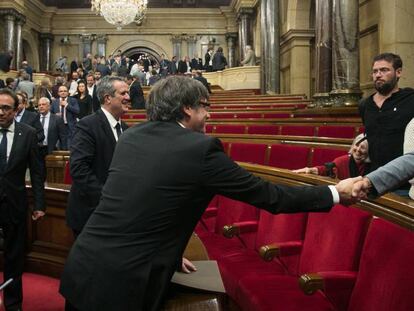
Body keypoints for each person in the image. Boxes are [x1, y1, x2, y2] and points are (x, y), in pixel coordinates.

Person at [59, 75, 357, 311]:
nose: (208, 115)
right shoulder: (200, 149)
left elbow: (143, 205)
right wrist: (334, 193)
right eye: (205, 106)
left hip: (83, 265)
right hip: (124, 286)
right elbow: (270, 197)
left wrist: (172, 255)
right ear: (187, 108)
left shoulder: (131, 137)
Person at [65, 76, 129, 238]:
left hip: (117, 215)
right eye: (123, 93)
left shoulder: (126, 129)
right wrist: (107, 198)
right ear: (108, 98)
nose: (128, 97)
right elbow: (79, 169)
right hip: (91, 214)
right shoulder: (87, 125)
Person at [0, 88, 45, 311]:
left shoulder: (27, 133)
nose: (0, 112)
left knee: (14, 258)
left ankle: (13, 303)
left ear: (16, 110)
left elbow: (37, 172)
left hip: (14, 205)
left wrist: (39, 204)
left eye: (5, 108)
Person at [359, 53, 414, 175]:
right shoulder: (365, 105)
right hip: (373, 177)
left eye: (384, 70)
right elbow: (370, 134)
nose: (378, 75)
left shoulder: (410, 100)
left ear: (398, 72)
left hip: (404, 178)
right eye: (375, 71)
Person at [293, 134, 370, 179]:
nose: (358, 149)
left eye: (362, 147)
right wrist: (310, 170)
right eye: (356, 145)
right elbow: (325, 170)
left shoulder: (373, 166)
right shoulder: (342, 161)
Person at [38, 97, 68, 180]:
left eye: (43, 104)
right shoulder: (35, 118)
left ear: (49, 106)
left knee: (51, 174)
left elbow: (63, 136)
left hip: (50, 150)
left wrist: (64, 151)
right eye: (39, 105)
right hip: (37, 150)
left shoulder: (57, 119)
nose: (41, 106)